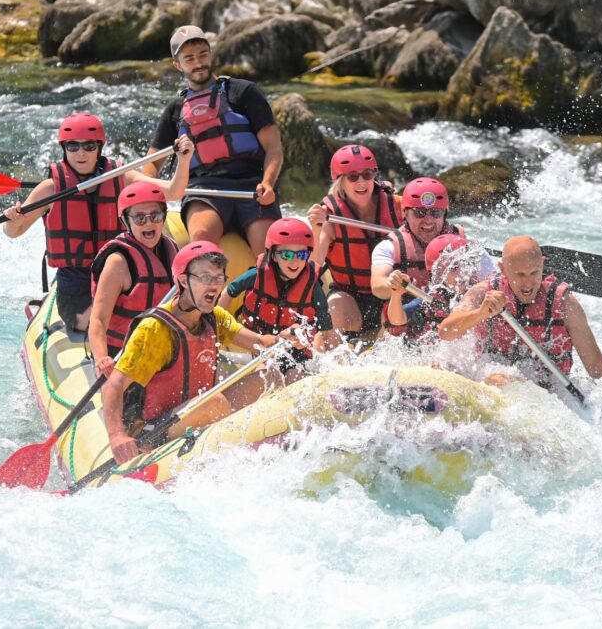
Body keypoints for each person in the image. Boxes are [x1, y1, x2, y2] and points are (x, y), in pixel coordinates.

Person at [101, 241, 294, 465]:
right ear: (183, 281)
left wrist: (284, 339)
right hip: (154, 428)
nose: (214, 286)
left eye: (218, 278)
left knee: (269, 376)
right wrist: (117, 436)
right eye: (205, 278)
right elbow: (113, 387)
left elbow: (260, 342)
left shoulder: (214, 316)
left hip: (197, 410)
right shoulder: (154, 330)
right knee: (215, 403)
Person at [3, 112, 192, 332]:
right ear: (64, 149)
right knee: (95, 322)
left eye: (89, 146)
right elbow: (13, 232)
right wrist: (12, 219)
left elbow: (174, 192)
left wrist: (184, 160)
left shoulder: (121, 177)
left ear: (99, 148)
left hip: (120, 271)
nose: (81, 153)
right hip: (77, 280)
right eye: (73, 146)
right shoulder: (50, 188)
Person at [140, 25, 283, 253]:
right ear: (177, 65)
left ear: (211, 53)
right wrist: (150, 196)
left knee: (268, 251)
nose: (198, 63)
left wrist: (267, 183)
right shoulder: (175, 110)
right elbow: (151, 166)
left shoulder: (243, 91)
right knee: (202, 236)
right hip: (205, 190)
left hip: (252, 186)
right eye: (189, 58)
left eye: (203, 54)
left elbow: (273, 147)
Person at [438, 235, 602, 395]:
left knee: (502, 381)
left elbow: (596, 367)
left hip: (549, 392)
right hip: (490, 383)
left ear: (543, 264)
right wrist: (479, 314)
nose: (528, 283)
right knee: (490, 377)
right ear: (502, 269)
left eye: (534, 273)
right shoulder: (482, 293)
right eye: (520, 274)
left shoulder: (566, 305)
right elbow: (445, 331)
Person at [218, 218, 342, 404]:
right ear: (273, 255)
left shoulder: (311, 286)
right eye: (287, 255)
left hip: (296, 349)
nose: (295, 261)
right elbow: (229, 291)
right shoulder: (258, 274)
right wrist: (216, 326)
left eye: (301, 255)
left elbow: (326, 327)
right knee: (267, 373)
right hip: (260, 344)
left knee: (295, 376)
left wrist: (337, 365)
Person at [308, 144, 402, 341]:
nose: (361, 182)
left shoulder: (397, 205)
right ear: (341, 181)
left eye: (367, 175)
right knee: (333, 309)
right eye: (352, 177)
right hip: (349, 295)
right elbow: (314, 264)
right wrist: (316, 228)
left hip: (391, 292)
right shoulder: (330, 216)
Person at [370, 177, 496, 320]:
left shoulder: (464, 244)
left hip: (455, 316)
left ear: (445, 212)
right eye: (419, 212)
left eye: (435, 213)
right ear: (405, 213)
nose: (428, 220)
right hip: (409, 317)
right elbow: (377, 286)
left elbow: (492, 280)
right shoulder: (389, 246)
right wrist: (396, 285)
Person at [88, 182, 180, 379]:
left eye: (155, 216)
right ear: (126, 222)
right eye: (139, 218)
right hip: (123, 356)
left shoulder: (172, 250)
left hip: (161, 351)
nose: (148, 223)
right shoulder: (118, 262)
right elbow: (97, 320)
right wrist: (102, 358)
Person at [385, 234, 477, 343]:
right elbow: (397, 320)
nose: (463, 271)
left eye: (466, 263)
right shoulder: (429, 299)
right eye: (454, 267)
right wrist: (396, 294)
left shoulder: (479, 290)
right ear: (439, 274)